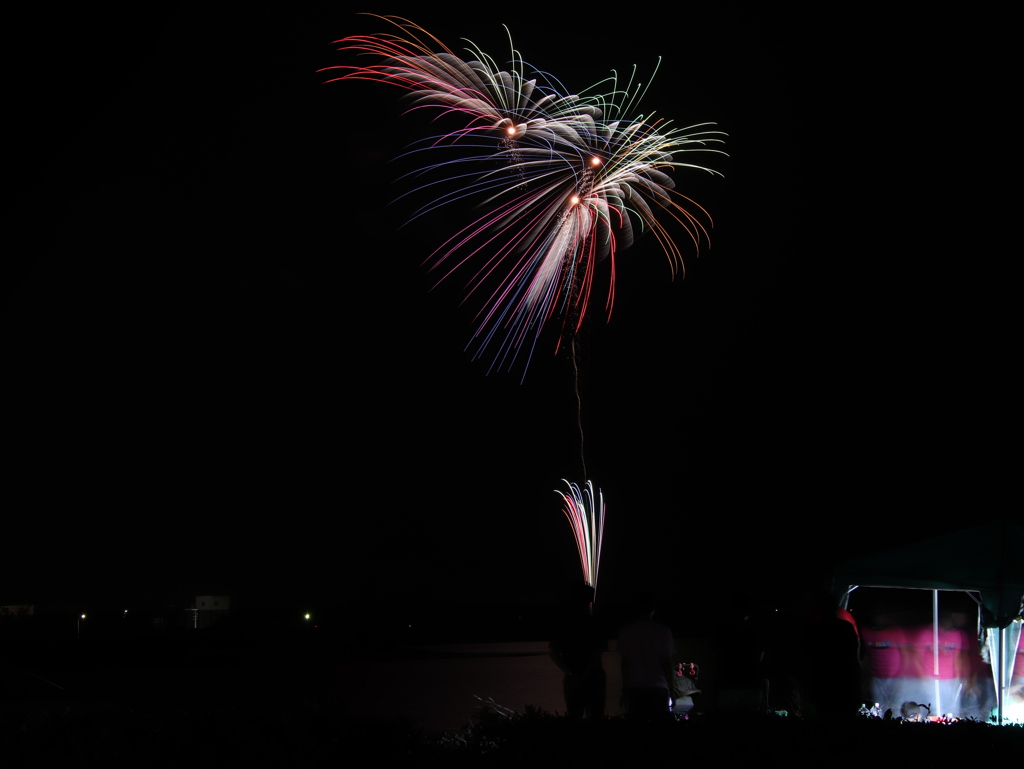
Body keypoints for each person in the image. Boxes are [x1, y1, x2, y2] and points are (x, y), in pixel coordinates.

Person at [549, 583, 607, 719]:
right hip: (594, 678)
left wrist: (570, 672)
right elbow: (597, 653)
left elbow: (553, 653)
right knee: (596, 716)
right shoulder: (595, 624)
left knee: (574, 716)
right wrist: (585, 673)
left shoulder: (564, 624)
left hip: (573, 678)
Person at [617, 591, 675, 720]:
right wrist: (671, 689)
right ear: (654, 609)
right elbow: (667, 663)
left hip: (635, 687)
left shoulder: (626, 632)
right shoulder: (664, 632)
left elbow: (625, 663)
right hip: (659, 687)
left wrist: (625, 689)